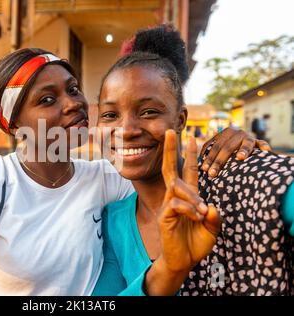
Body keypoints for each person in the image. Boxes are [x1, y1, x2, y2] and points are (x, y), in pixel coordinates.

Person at [0, 48, 268, 296]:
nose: (73, 104)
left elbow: (167, 157)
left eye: (73, 89)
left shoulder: (108, 178)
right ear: (14, 124)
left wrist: (228, 141)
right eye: (47, 99)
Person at [92, 25, 294, 296]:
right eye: (109, 115)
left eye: (149, 111)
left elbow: (279, 187)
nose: (126, 130)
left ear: (181, 120)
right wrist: (169, 269)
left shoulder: (236, 180)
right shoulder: (113, 221)